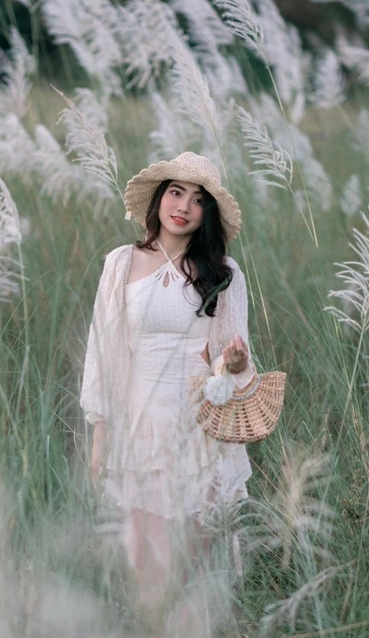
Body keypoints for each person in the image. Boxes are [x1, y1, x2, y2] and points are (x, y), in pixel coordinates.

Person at [80, 151, 256, 595]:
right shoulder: (120, 262)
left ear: (207, 214)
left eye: (198, 200)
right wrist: (101, 436)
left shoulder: (224, 273)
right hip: (140, 416)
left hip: (198, 419)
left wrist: (233, 363)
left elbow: (231, 358)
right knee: (143, 552)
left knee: (197, 549)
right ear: (159, 199)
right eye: (176, 193)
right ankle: (152, 635)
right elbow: (104, 352)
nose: (183, 207)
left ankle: (200, 637)